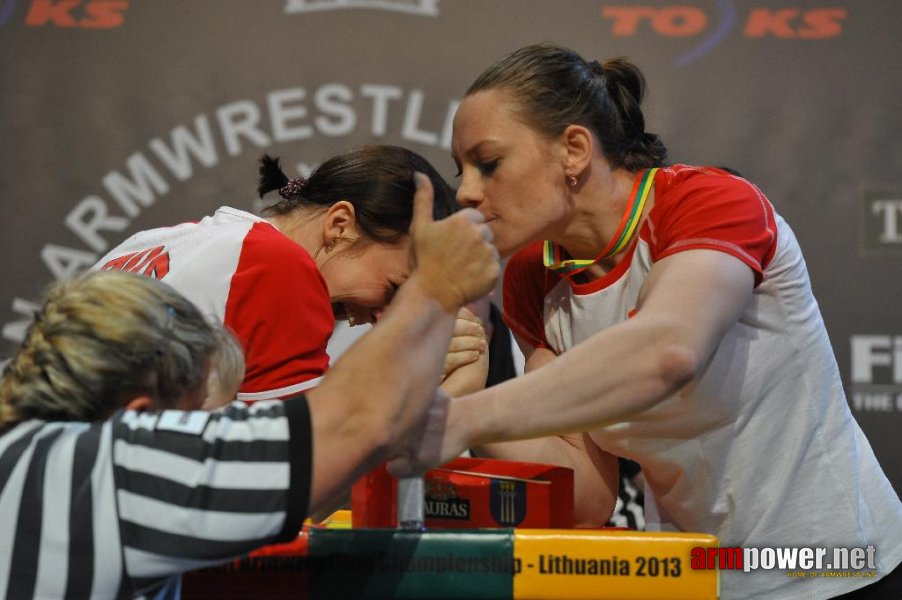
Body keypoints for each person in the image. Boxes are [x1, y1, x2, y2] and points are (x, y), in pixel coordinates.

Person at [389, 43, 902, 599]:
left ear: (575, 150)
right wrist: (471, 390)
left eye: (488, 164)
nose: (465, 191)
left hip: (838, 568)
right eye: (459, 170)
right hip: (696, 579)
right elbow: (586, 496)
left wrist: (464, 417)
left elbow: (668, 350)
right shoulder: (532, 278)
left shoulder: (705, 201)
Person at [0, 175, 499, 598]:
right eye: (195, 425)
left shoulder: (170, 238)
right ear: (138, 417)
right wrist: (432, 322)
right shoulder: (119, 472)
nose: (378, 315)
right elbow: (319, 469)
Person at [96, 145, 486, 403]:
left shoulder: (157, 240)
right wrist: (413, 379)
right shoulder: (277, 265)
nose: (372, 317)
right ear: (340, 224)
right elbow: (298, 473)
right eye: (392, 289)